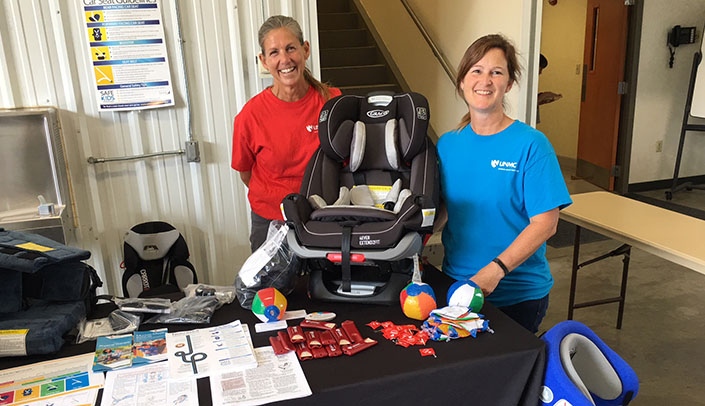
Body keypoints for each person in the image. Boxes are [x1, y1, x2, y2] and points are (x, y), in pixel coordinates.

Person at [436, 34, 572, 333]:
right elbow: (447, 207)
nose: (485, 80)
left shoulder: (532, 145)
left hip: (516, 294)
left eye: (496, 72)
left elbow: (546, 224)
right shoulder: (448, 144)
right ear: (462, 81)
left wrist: (495, 271)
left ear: (508, 84)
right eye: (477, 70)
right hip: (457, 286)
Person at [231, 15, 341, 252]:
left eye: (291, 48)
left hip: (322, 218)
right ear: (263, 60)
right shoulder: (251, 115)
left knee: (320, 289)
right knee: (270, 290)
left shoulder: (333, 102)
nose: (284, 59)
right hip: (270, 221)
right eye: (274, 52)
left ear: (306, 49)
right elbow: (245, 173)